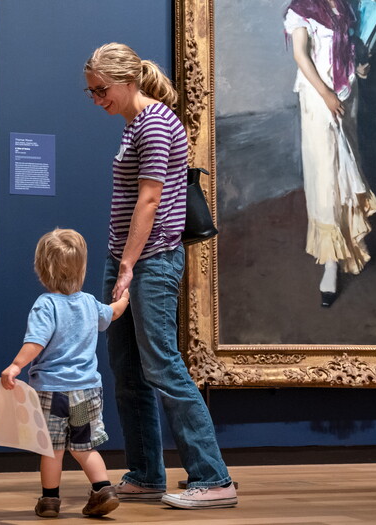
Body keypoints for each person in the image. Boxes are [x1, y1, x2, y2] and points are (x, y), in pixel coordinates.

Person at [83, 42, 237, 510]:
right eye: (90, 92)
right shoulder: (135, 124)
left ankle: (214, 478)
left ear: (127, 81)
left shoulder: (156, 123)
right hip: (126, 257)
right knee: (128, 370)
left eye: (101, 90)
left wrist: (128, 265)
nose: (96, 99)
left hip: (149, 261)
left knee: (163, 366)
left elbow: (149, 201)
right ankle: (147, 473)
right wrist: (120, 259)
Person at [0, 228, 131, 518]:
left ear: (41, 269)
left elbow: (35, 342)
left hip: (52, 395)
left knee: (52, 449)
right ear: (82, 268)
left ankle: (49, 501)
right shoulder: (88, 303)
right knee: (83, 446)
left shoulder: (45, 305)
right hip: (84, 395)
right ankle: (104, 488)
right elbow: (114, 312)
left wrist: (16, 365)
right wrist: (124, 297)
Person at [285, 0, 376, 307]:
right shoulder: (301, 10)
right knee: (326, 176)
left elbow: (350, 51)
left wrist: (361, 66)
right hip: (318, 99)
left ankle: (352, 244)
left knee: (348, 169)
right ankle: (330, 266)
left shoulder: (345, 8)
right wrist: (326, 95)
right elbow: (301, 54)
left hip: (347, 97)